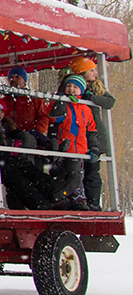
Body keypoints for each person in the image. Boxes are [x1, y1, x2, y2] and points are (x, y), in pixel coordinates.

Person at [69, 56, 116, 210]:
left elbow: (110, 101)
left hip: (93, 133)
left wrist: (92, 98)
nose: (95, 73)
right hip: (77, 133)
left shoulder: (97, 87)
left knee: (92, 170)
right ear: (82, 72)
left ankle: (93, 203)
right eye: (91, 70)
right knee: (74, 169)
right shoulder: (71, 85)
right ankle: (76, 200)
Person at [50, 73, 97, 210]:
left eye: (75, 87)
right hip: (63, 147)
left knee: (75, 175)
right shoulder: (62, 103)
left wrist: (94, 147)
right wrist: (61, 101)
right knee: (59, 175)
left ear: (81, 90)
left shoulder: (86, 108)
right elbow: (54, 118)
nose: (71, 89)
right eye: (68, 86)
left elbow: (91, 130)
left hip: (78, 149)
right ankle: (60, 199)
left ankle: (75, 199)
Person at [4, 66, 52, 149]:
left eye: (17, 77)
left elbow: (44, 117)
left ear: (24, 81)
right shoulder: (5, 100)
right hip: (10, 137)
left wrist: (35, 132)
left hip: (30, 138)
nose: (14, 79)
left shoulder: (35, 98)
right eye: (11, 77)